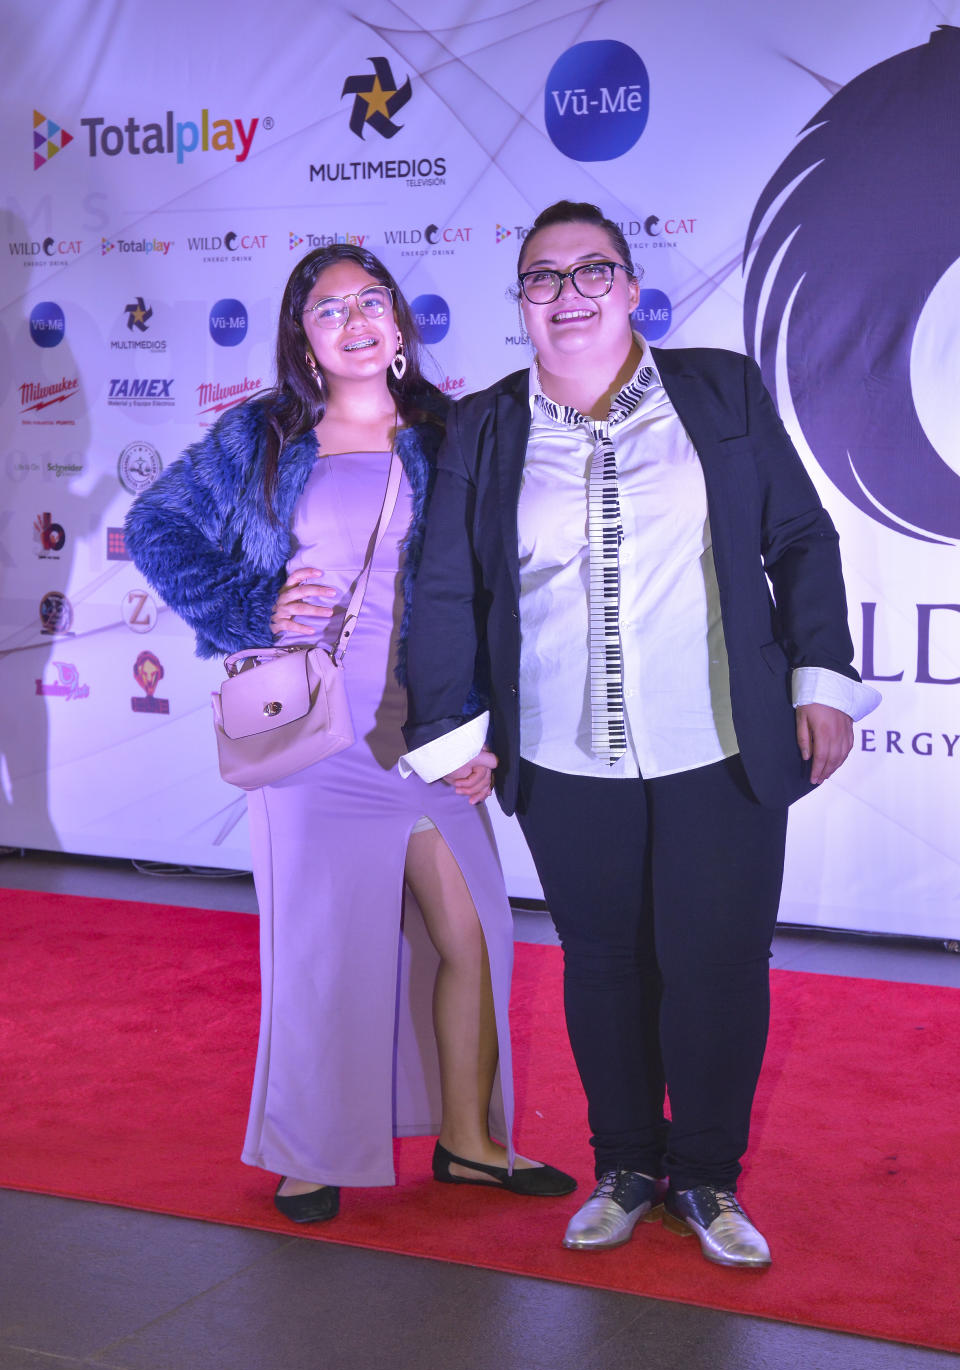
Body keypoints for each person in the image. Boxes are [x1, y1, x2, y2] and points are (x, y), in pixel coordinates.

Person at [401, 201, 879, 1266]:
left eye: (590, 271)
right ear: (521, 301)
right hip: (565, 755)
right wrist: (448, 727)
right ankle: (624, 1166)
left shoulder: (718, 388)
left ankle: (706, 1179)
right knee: (605, 961)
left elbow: (798, 537)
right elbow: (447, 587)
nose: (568, 294)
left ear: (627, 284)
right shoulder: (484, 424)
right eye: (543, 277)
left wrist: (822, 679)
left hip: (721, 741)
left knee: (715, 963)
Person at [125, 243, 574, 1223]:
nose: (357, 319)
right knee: (322, 952)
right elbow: (156, 526)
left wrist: (485, 727)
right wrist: (252, 604)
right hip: (313, 739)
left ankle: (470, 1142)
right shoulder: (265, 436)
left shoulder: (454, 432)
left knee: (478, 939)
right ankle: (309, 1149)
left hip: (426, 733)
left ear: (399, 324)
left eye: (372, 300)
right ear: (305, 338)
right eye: (330, 309)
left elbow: (500, 591)